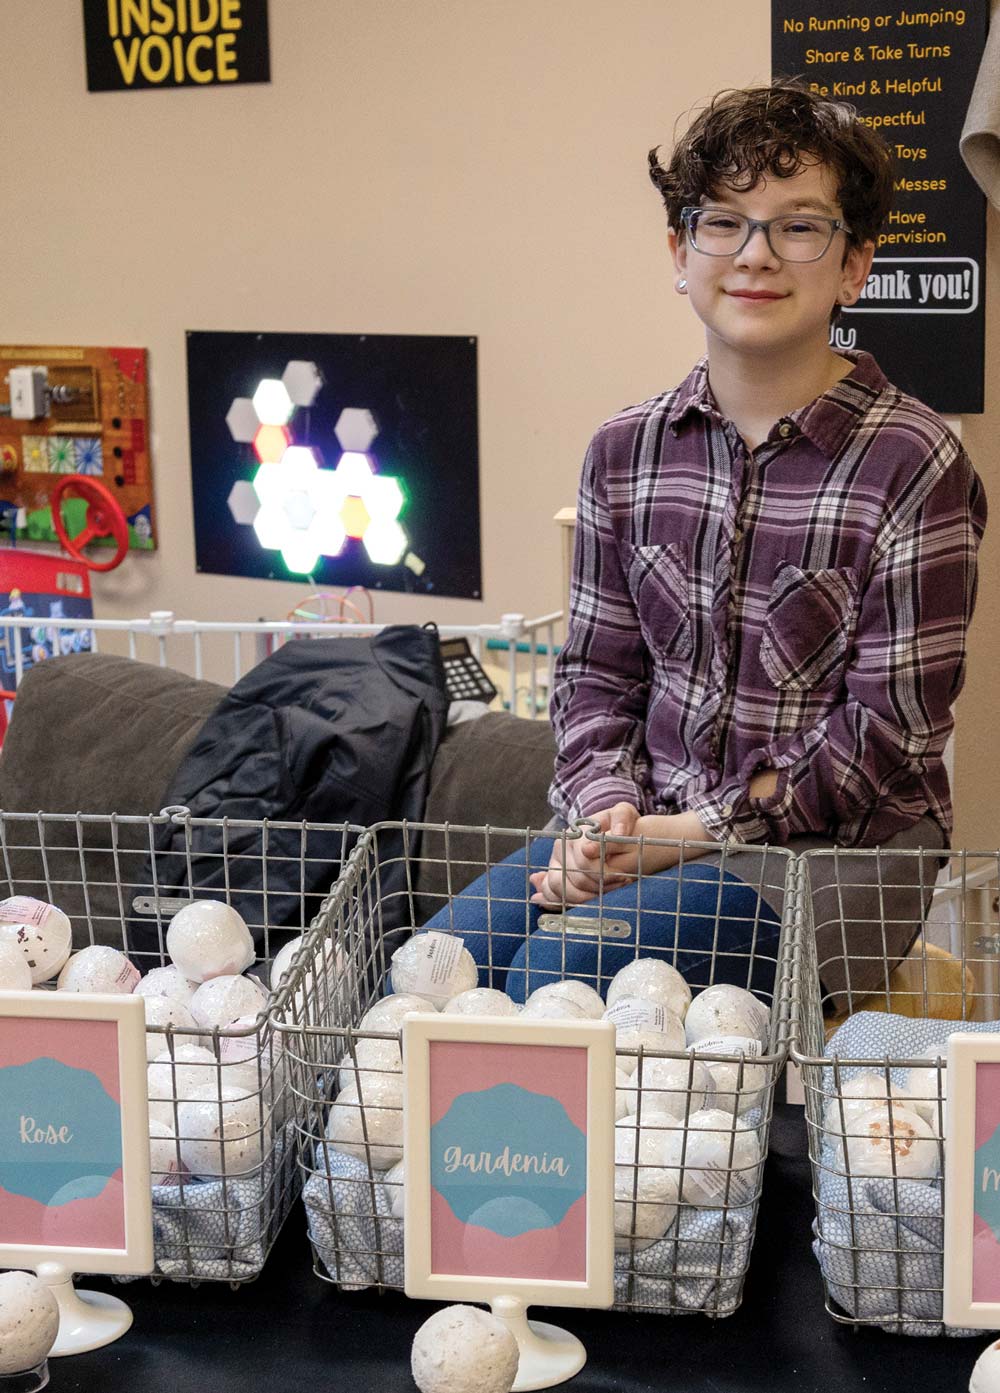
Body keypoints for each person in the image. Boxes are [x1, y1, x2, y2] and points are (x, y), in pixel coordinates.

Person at [425, 82, 987, 1005]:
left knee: (555, 978)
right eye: (724, 223)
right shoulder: (625, 450)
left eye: (798, 227)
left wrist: (685, 834)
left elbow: (885, 738)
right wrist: (606, 817)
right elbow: (595, 677)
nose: (756, 255)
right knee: (434, 972)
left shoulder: (914, 461)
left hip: (839, 856)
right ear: (682, 254)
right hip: (652, 824)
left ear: (854, 267)